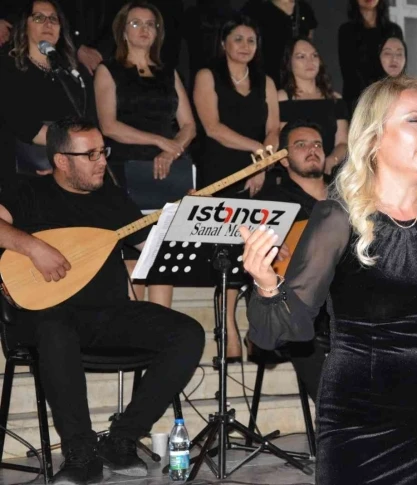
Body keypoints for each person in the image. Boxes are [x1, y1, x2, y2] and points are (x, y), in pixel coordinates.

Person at [240, 75, 417, 484]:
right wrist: (267, 284)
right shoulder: (338, 217)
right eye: (414, 119)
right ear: (374, 137)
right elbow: (288, 328)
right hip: (359, 417)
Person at [0, 117, 205, 485]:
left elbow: (150, 246)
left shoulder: (113, 198)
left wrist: (187, 220)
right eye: (90, 154)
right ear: (62, 161)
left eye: (103, 151)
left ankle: (121, 440)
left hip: (108, 315)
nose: (102, 161)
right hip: (44, 316)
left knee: (188, 333)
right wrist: (32, 246)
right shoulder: (28, 190)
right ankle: (80, 453)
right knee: (55, 329)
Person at [95, 0, 196, 308]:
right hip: (126, 169)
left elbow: (189, 125)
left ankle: (164, 324)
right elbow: (109, 126)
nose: (144, 29)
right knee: (134, 252)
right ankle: (135, 327)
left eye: (150, 24)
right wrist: (160, 141)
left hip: (169, 170)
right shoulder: (108, 70)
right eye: (136, 23)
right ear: (123, 31)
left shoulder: (168, 73)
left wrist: (171, 151)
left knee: (165, 253)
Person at [193, 13, 279, 356]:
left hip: (259, 172)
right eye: (238, 39)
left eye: (251, 40)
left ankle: (258, 330)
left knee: (261, 252)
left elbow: (273, 129)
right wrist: (258, 152)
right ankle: (227, 327)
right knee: (228, 254)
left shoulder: (265, 80)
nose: (245, 46)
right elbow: (212, 128)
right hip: (221, 172)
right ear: (223, 43)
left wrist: (263, 163)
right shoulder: (207, 75)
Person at [249, 119, 329, 400]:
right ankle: (339, 418)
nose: (312, 149)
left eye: (317, 144)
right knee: (302, 333)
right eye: (301, 145)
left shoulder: (348, 196)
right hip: (300, 310)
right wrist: (267, 244)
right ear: (283, 159)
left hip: (350, 304)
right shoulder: (270, 202)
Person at [0, 0, 92, 188]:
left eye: (53, 19)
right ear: (24, 26)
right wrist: (68, 152)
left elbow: (89, 119)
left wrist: (72, 160)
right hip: (24, 168)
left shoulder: (73, 71)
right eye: (39, 18)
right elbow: (20, 122)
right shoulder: (8, 66)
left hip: (71, 164)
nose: (48, 24)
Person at [278, 37, 348, 174]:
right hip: (293, 173)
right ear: (289, 62)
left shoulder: (335, 99)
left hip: (329, 172)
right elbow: (280, 142)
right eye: (301, 56)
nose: (310, 61)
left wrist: (330, 161)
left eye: (314, 55)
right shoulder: (280, 98)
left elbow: (343, 143)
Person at [338, 0, 402, 113]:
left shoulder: (393, 30)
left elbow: (397, 69)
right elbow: (348, 72)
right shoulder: (346, 31)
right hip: (358, 100)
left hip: (388, 98)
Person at [242, 0, 317, 88]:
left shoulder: (304, 8)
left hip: (297, 79)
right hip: (264, 77)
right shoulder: (254, 8)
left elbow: (309, 43)